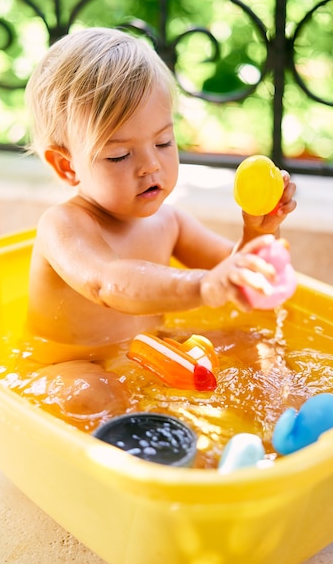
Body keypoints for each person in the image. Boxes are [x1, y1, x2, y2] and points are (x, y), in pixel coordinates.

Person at [22, 27, 296, 422]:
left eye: (164, 143)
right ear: (67, 166)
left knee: (252, 345)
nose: (151, 164)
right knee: (90, 394)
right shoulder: (63, 226)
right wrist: (202, 285)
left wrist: (259, 230)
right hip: (74, 365)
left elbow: (236, 272)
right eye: (119, 156)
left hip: (157, 347)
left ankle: (273, 430)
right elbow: (108, 282)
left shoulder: (169, 220)